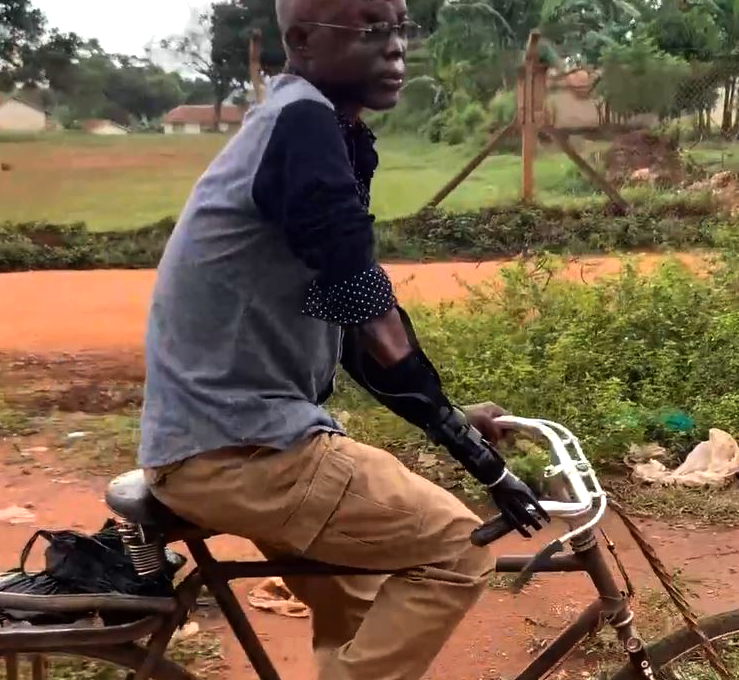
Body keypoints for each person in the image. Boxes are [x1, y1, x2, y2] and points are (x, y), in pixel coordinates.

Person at [138, 0, 546, 678]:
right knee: (460, 546)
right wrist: (478, 460)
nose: (395, 48)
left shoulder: (314, 125)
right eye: (370, 28)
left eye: (399, 27)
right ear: (302, 39)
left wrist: (445, 416)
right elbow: (365, 305)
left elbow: (350, 318)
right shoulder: (300, 125)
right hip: (243, 446)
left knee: (353, 607)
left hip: (232, 440)